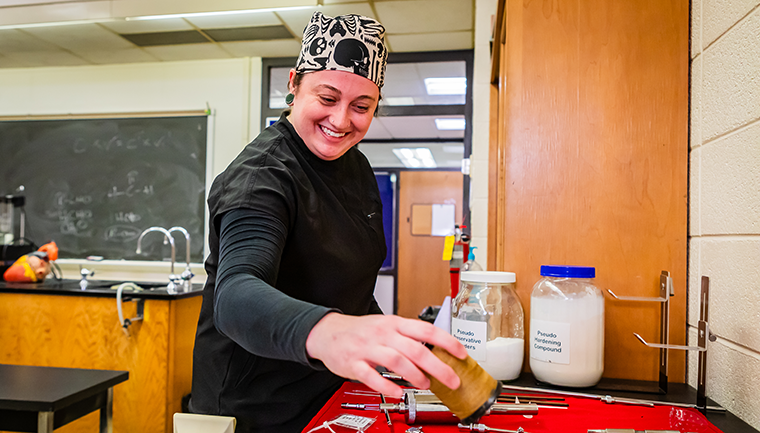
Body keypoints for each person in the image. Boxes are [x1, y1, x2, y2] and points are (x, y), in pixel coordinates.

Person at [189, 11, 467, 432]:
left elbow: (348, 287)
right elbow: (236, 295)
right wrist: (326, 330)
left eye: (362, 106)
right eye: (327, 98)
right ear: (294, 85)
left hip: (330, 398)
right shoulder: (260, 178)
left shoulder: (355, 169)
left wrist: (388, 338)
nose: (341, 121)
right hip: (254, 411)